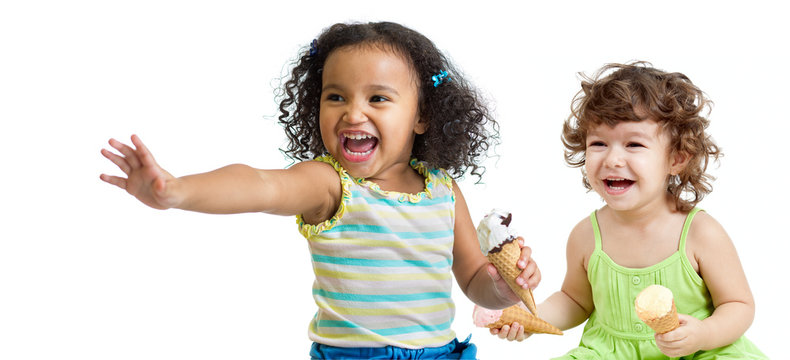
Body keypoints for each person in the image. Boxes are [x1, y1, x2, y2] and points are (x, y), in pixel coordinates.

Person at [100, 21, 538, 360]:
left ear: (422, 116)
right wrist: (177, 191)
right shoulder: (331, 184)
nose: (353, 113)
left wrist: (504, 287)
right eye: (336, 97)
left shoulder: (442, 190)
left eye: (378, 99)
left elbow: (474, 279)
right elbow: (261, 183)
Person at [492, 62, 766, 359]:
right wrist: (532, 316)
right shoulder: (586, 235)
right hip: (611, 352)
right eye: (598, 143)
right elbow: (575, 300)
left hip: (696, 351)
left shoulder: (700, 233)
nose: (612, 159)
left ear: (677, 158)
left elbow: (738, 305)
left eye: (633, 144)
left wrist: (703, 334)